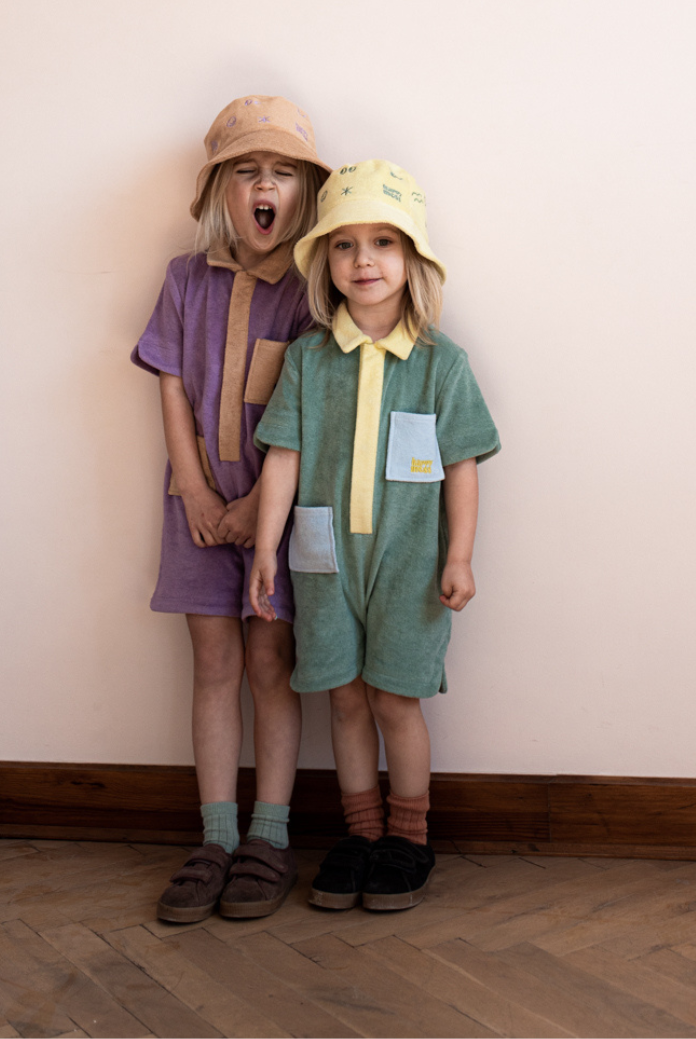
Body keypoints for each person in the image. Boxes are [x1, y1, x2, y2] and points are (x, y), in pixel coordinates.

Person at [250, 159, 500, 911]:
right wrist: (263, 547)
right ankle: (359, 834)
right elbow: (284, 460)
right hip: (325, 563)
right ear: (324, 261)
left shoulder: (440, 365)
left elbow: (462, 465)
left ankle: (407, 839)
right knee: (346, 698)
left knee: (396, 698)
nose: (363, 260)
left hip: (409, 566)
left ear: (411, 259)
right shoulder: (307, 360)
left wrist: (458, 556)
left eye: (383, 242)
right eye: (345, 244)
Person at [131, 95, 331, 921]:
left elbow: (317, 408)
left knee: (268, 666)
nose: (264, 185)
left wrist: (257, 510)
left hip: (278, 518)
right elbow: (173, 392)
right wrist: (205, 495)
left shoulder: (315, 293)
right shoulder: (184, 279)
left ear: (303, 193)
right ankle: (214, 837)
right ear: (222, 188)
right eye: (247, 170)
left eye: (281, 172)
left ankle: (269, 836)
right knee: (212, 666)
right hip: (195, 511)